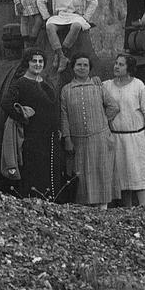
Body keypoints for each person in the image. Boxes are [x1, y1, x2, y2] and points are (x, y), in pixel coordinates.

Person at [0, 48, 67, 201]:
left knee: (51, 172)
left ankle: (51, 206)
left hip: (50, 137)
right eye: (34, 61)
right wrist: (22, 115)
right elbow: (6, 103)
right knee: (35, 172)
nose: (37, 64)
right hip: (32, 137)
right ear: (27, 63)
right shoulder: (21, 83)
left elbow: (53, 107)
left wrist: (58, 128)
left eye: (40, 61)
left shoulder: (46, 82)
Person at [60, 55, 119, 207]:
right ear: (73, 68)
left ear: (89, 68)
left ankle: (103, 208)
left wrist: (102, 121)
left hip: (100, 138)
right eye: (78, 64)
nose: (82, 68)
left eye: (85, 65)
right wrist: (67, 138)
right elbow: (64, 115)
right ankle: (85, 209)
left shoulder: (97, 87)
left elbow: (114, 106)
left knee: (102, 170)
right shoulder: (66, 90)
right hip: (78, 140)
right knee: (82, 174)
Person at [103, 53, 145, 207]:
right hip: (116, 137)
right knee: (122, 176)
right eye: (116, 63)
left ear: (129, 68)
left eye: (121, 64)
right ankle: (127, 209)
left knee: (139, 173)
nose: (116, 67)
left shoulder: (138, 85)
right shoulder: (106, 86)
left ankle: (144, 207)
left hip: (136, 137)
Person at [36, 0, 99, 72]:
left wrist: (85, 17)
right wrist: (46, 17)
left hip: (75, 16)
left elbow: (93, 1)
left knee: (76, 25)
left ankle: (61, 53)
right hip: (59, 16)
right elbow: (40, 0)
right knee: (50, 26)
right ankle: (61, 56)